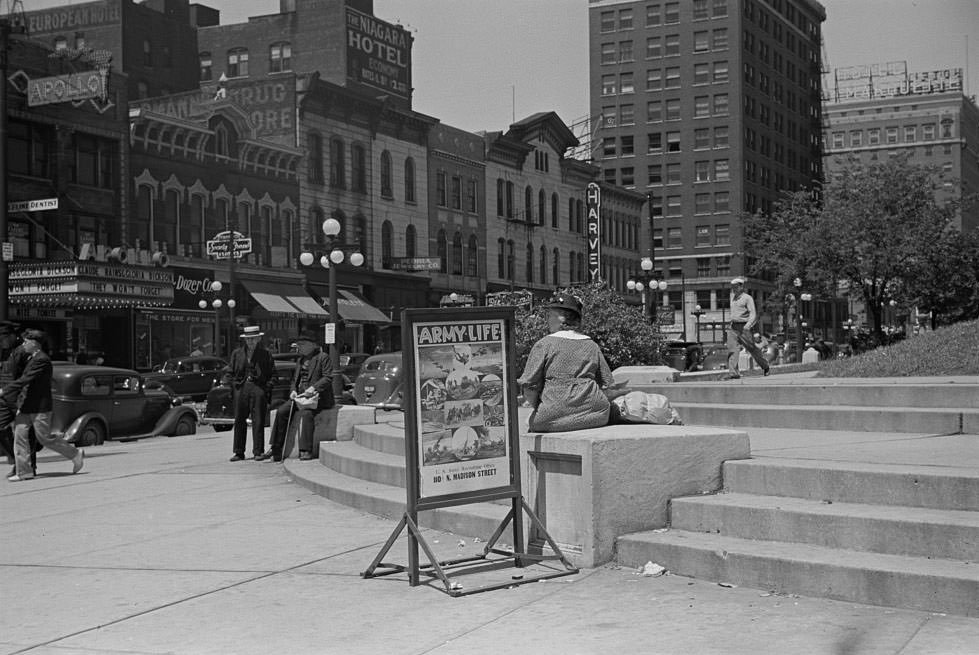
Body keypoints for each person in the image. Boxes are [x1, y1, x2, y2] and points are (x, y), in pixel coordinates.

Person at [517, 294, 616, 432]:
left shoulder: (544, 345)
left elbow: (528, 387)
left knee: (529, 422)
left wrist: (541, 407)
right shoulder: (591, 345)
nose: (547, 320)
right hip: (597, 414)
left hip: (552, 416)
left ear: (562, 318)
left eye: (550, 315)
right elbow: (608, 384)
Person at [6, 330, 83, 481]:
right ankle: (24, 472)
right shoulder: (30, 357)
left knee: (44, 438)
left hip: (40, 406)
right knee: (19, 436)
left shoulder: (42, 360)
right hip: (26, 405)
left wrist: (4, 390)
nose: (23, 345)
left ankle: (74, 454)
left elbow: (26, 380)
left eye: (26, 342)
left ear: (34, 343)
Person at [259, 330, 334, 462]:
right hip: (301, 395)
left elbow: (328, 377)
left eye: (303, 344)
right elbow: (294, 380)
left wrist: (314, 388)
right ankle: (276, 448)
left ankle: (305, 450)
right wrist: (293, 391)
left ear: (312, 345)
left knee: (307, 414)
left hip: (316, 397)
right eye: (298, 344)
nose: (300, 347)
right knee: (281, 412)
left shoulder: (323, 357)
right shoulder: (300, 360)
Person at [228, 325, 274, 462]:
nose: (251, 342)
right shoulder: (237, 353)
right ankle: (239, 452)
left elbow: (273, 375)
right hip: (241, 388)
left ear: (259, 339)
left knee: (258, 420)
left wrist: (266, 388)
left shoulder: (265, 354)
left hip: (258, 388)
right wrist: (234, 386)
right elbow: (230, 372)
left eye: (253, 339)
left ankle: (258, 451)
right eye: (248, 339)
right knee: (239, 420)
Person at [725, 278, 770, 379]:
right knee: (732, 350)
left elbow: (753, 313)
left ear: (741, 287)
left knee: (752, 349)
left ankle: (765, 366)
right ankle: (734, 373)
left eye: (735, 287)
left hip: (744, 327)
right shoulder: (733, 298)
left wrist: (748, 324)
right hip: (733, 327)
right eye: (732, 287)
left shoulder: (747, 298)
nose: (734, 289)